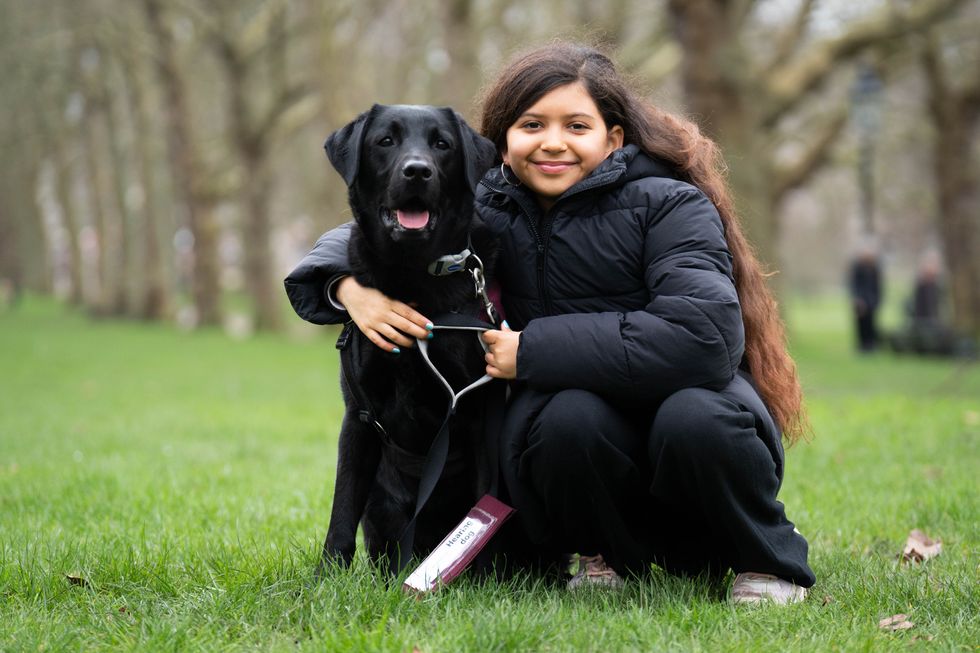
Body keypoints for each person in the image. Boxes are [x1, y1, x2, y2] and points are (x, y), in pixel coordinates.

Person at [285, 42, 816, 604]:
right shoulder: (490, 209)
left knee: (693, 417)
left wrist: (533, 349)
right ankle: (608, 559)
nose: (553, 141)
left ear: (612, 138)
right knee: (566, 418)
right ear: (503, 146)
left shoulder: (670, 205)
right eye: (532, 124)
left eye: (577, 124)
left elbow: (702, 338)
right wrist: (346, 286)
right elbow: (371, 231)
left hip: (689, 414)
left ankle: (763, 560)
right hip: (587, 432)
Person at [848, 241, 882, 352]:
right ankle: (862, 346)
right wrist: (858, 299)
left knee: (871, 324)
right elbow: (854, 285)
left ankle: (871, 345)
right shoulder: (858, 267)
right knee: (860, 324)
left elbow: (878, 286)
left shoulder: (875, 268)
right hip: (860, 301)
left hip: (871, 301)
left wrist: (876, 301)